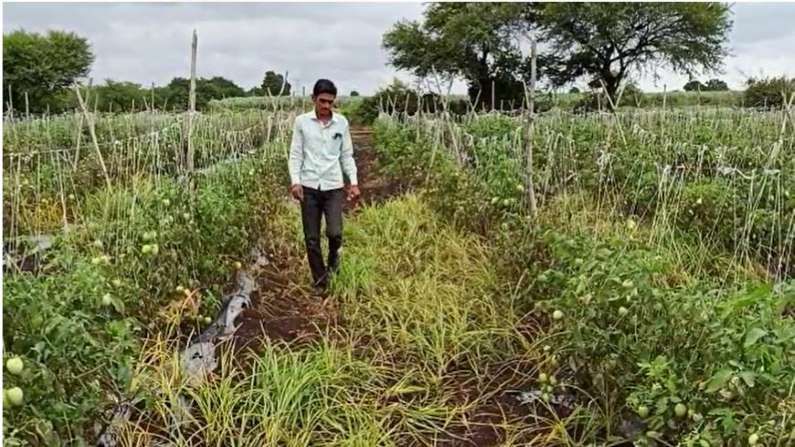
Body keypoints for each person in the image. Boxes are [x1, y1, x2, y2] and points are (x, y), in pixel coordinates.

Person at [288, 79, 360, 293]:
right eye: (322, 101)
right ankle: (320, 281)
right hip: (309, 186)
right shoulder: (302, 122)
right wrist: (295, 181)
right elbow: (295, 154)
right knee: (311, 238)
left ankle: (333, 268)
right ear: (313, 99)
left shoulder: (341, 123)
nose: (327, 106)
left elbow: (347, 155)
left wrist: (353, 182)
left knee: (335, 233)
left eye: (330, 102)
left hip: (333, 186)